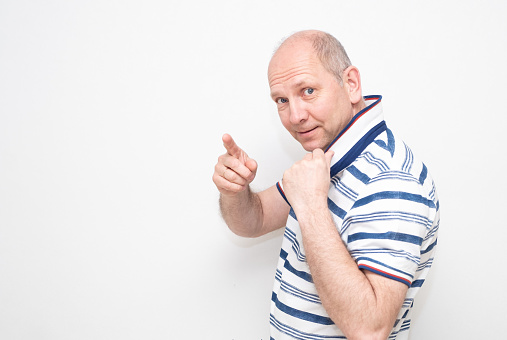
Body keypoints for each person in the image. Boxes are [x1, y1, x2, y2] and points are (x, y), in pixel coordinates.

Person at [212, 30, 439, 340]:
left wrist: (310, 207)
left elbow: (370, 329)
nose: (295, 116)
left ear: (351, 84)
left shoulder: (392, 180)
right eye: (282, 100)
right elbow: (256, 219)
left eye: (307, 91)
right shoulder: (330, 157)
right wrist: (234, 191)